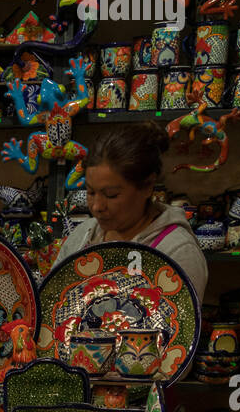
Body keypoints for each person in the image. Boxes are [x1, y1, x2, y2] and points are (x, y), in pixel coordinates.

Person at [54, 123, 208, 301]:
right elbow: (54, 303)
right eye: (90, 192)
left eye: (111, 195)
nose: (97, 206)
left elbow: (182, 325)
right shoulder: (82, 237)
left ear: (147, 187)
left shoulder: (176, 251)